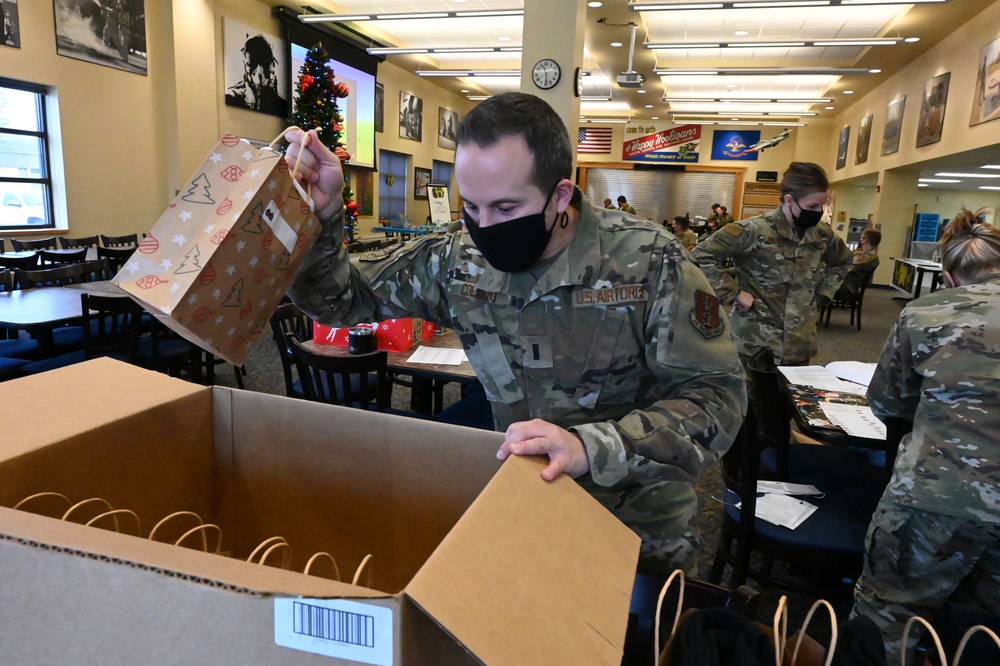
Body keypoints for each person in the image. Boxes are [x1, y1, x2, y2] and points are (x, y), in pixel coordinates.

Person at [284, 92, 747, 574]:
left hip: (636, 530)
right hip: (522, 508)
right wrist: (321, 215)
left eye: (505, 208)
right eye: (473, 207)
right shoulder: (455, 260)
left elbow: (718, 398)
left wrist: (594, 446)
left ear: (561, 196)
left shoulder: (648, 261)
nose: (485, 228)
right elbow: (338, 302)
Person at [852, 209, 1000, 663]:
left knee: (889, 616)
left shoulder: (925, 314)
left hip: (935, 498)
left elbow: (888, 403)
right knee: (984, 634)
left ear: (951, 276)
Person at [692, 162, 853, 365]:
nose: (818, 211)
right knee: (749, 397)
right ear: (789, 200)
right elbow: (700, 255)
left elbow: (844, 260)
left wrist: (822, 293)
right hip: (754, 343)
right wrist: (732, 293)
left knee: (792, 397)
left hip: (799, 344)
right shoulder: (753, 230)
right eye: (812, 206)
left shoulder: (821, 233)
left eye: (822, 205)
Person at [225, 34, 287, 115]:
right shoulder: (232, 97)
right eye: (252, 66)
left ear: (271, 66)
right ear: (245, 65)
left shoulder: (281, 105)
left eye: (264, 65)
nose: (258, 74)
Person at [834, 228, 881, 301]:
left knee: (819, 278)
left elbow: (847, 268)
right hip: (848, 280)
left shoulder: (866, 257)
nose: (860, 239)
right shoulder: (864, 252)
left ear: (865, 240)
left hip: (848, 285)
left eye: (861, 237)